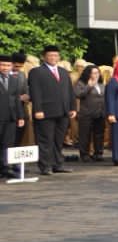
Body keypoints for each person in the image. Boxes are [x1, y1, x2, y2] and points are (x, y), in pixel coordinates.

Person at [28, 46, 76, 175]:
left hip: (63, 111)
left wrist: (72, 107)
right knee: (45, 140)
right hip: (45, 111)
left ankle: (58, 164)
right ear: (44, 57)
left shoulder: (63, 72)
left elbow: (70, 91)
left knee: (58, 140)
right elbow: (35, 92)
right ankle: (45, 166)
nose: (53, 58)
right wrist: (38, 109)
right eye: (50, 55)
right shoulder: (36, 72)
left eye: (56, 55)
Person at [73, 64, 107, 162]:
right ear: (88, 74)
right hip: (86, 113)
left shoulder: (101, 84)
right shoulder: (81, 83)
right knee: (85, 135)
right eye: (93, 73)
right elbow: (78, 94)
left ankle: (98, 153)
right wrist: (89, 86)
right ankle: (84, 154)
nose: (96, 75)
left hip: (100, 113)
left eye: (97, 73)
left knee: (99, 134)